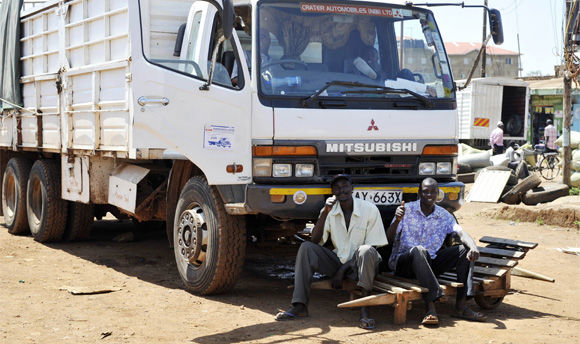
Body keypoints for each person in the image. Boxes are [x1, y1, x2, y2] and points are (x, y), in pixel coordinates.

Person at [275, 174, 388, 329]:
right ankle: (299, 306)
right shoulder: (329, 211)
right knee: (306, 248)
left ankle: (365, 312)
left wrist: (343, 269)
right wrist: (324, 213)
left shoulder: (369, 209)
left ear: (352, 188)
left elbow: (374, 247)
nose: (341, 190)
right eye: (337, 188)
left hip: (363, 266)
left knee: (366, 250)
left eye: (345, 186)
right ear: (333, 192)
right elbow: (314, 241)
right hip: (339, 262)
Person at [387, 178, 486, 326]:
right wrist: (396, 220)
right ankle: (431, 307)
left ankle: (461, 306)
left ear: (437, 194)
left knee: (463, 250)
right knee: (419, 251)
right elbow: (388, 238)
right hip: (404, 265)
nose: (429, 195)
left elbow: (461, 233)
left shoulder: (444, 215)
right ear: (419, 193)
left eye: (433, 192)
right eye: (425, 191)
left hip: (429, 264)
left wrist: (473, 247)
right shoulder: (406, 210)